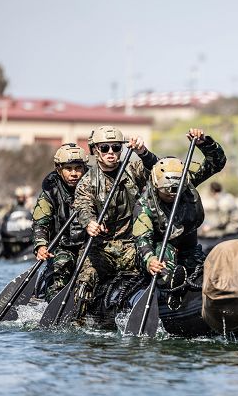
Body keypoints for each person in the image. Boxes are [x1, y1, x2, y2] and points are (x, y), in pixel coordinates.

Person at [133, 129, 226, 308]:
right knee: (163, 268)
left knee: (207, 269)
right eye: (166, 192)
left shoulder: (187, 181)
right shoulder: (144, 205)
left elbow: (217, 162)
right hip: (160, 247)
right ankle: (169, 289)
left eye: (177, 190)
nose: (172, 195)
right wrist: (150, 260)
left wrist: (204, 143)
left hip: (189, 246)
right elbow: (142, 238)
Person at [73, 125, 159, 310]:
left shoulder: (133, 169)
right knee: (85, 280)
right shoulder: (87, 182)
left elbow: (158, 171)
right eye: (105, 148)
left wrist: (143, 153)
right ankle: (79, 319)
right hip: (101, 249)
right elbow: (83, 206)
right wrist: (89, 223)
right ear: (96, 150)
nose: (111, 152)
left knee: (157, 267)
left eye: (116, 147)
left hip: (132, 245)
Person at [32, 143, 89, 301]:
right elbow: (40, 222)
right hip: (62, 247)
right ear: (58, 169)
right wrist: (41, 245)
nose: (74, 174)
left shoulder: (96, 185)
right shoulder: (50, 192)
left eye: (78, 168)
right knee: (60, 268)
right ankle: (53, 299)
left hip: (91, 246)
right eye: (68, 169)